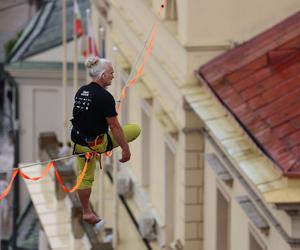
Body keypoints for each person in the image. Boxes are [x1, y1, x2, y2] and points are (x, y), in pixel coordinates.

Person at [71, 56, 141, 225]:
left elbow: (86, 115)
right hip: (95, 144)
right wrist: (125, 149)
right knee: (134, 129)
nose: (113, 76)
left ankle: (87, 211)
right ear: (102, 75)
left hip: (78, 141)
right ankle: (103, 146)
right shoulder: (105, 97)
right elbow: (115, 126)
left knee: (85, 177)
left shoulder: (82, 90)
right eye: (111, 73)